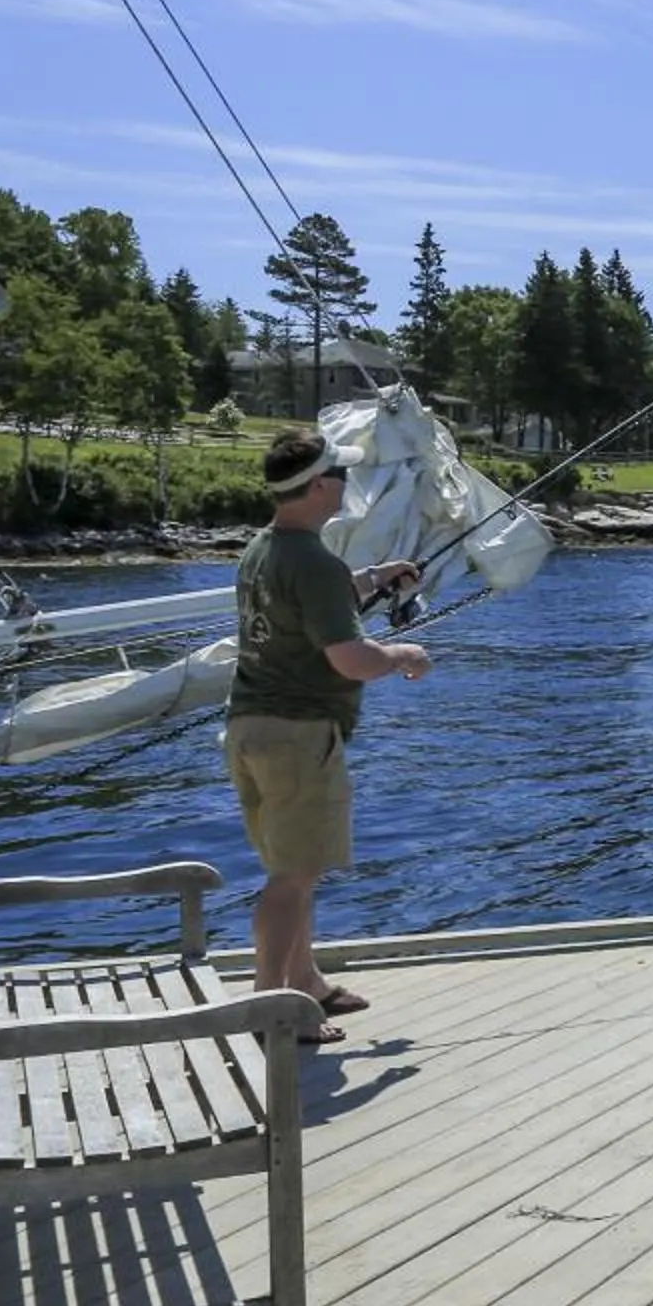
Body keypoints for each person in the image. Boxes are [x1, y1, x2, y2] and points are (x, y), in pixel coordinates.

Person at [223, 428, 430, 1047]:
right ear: (318, 486)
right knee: (293, 877)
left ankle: (305, 981)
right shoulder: (312, 561)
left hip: (251, 729)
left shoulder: (263, 550)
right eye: (339, 474)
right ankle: (271, 1008)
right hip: (297, 737)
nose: (346, 483)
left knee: (296, 869)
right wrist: (404, 653)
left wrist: (372, 578)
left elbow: (307, 604)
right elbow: (351, 659)